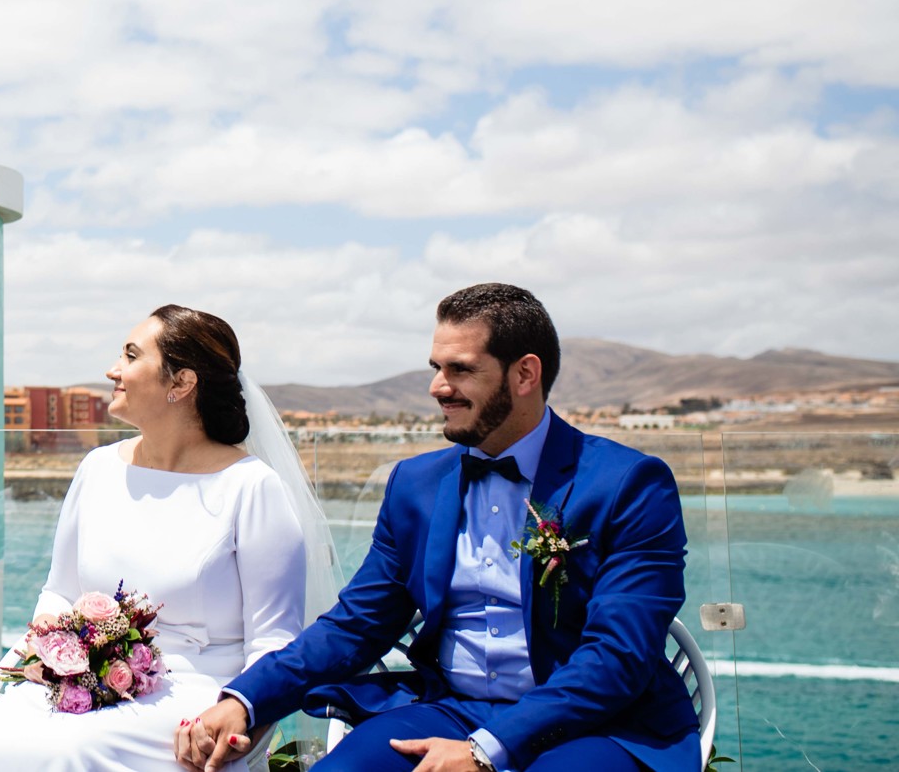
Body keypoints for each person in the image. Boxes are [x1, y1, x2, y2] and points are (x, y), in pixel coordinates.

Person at [178, 284, 700, 772]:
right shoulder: (415, 485)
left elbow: (618, 657)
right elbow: (357, 623)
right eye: (435, 367)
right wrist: (244, 699)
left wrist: (485, 752)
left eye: (460, 370)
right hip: (447, 710)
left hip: (596, 726)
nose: (437, 387)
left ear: (525, 374)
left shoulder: (629, 484)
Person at [0, 305, 337, 772]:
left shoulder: (251, 488)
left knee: (69, 753)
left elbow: (273, 638)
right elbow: (59, 590)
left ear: (181, 383)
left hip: (197, 690)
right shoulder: (98, 468)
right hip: (86, 678)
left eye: (131, 356)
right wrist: (53, 660)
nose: (113, 370)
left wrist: (240, 716)